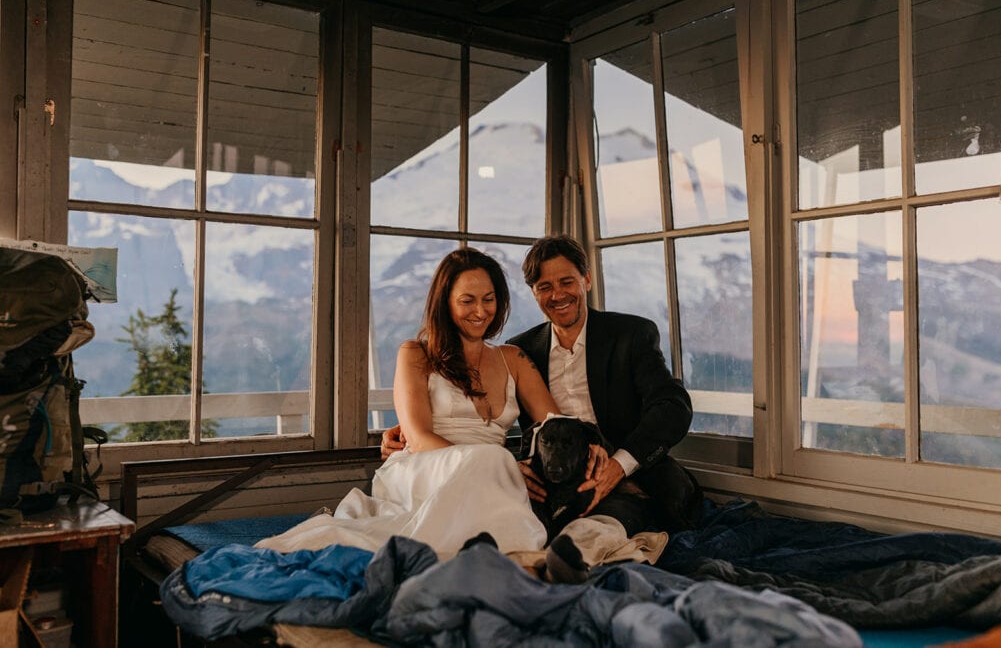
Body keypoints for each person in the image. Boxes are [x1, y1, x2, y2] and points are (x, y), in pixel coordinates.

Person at [260, 247, 587, 559]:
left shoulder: (512, 358)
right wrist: (499, 469)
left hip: (491, 475)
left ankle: (485, 560)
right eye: (467, 301)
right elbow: (417, 437)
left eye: (489, 299)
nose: (480, 311)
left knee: (494, 466)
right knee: (492, 459)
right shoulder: (416, 354)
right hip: (423, 467)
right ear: (445, 303)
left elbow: (556, 426)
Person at [508, 235, 702, 537]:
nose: (558, 295)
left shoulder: (631, 334)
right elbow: (493, 421)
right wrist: (510, 465)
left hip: (629, 478)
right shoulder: (520, 350)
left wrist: (619, 465)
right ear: (533, 292)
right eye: (545, 287)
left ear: (586, 280)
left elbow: (672, 406)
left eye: (566, 282)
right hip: (553, 481)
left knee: (602, 527)